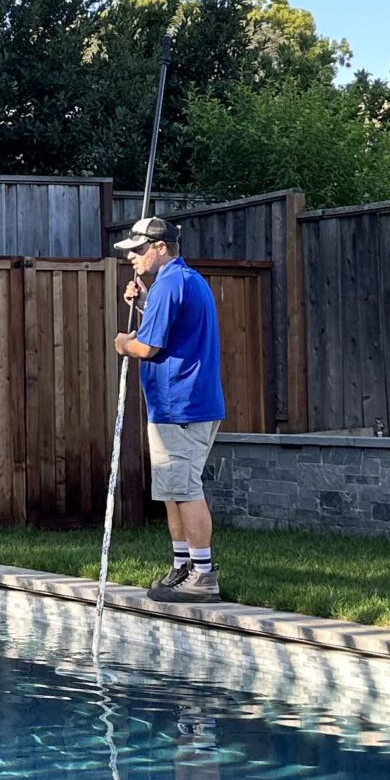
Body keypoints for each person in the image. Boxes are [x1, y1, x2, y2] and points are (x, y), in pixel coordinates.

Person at [111, 215, 226, 603]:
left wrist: (123, 342)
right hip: (181, 404)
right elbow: (168, 331)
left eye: (139, 250)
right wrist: (143, 303)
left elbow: (148, 347)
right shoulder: (183, 281)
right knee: (173, 490)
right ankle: (182, 567)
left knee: (185, 489)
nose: (133, 258)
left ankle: (203, 575)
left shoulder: (171, 284)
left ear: (161, 248)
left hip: (182, 405)